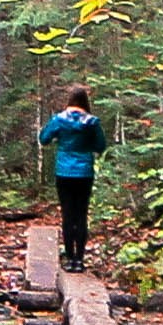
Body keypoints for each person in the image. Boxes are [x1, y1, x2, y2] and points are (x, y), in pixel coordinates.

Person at [40, 87, 106, 271]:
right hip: (84, 172)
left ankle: (69, 259)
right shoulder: (92, 122)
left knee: (68, 214)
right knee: (81, 214)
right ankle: (80, 260)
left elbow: (44, 139)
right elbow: (100, 146)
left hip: (64, 171)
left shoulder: (59, 120)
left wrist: (59, 139)